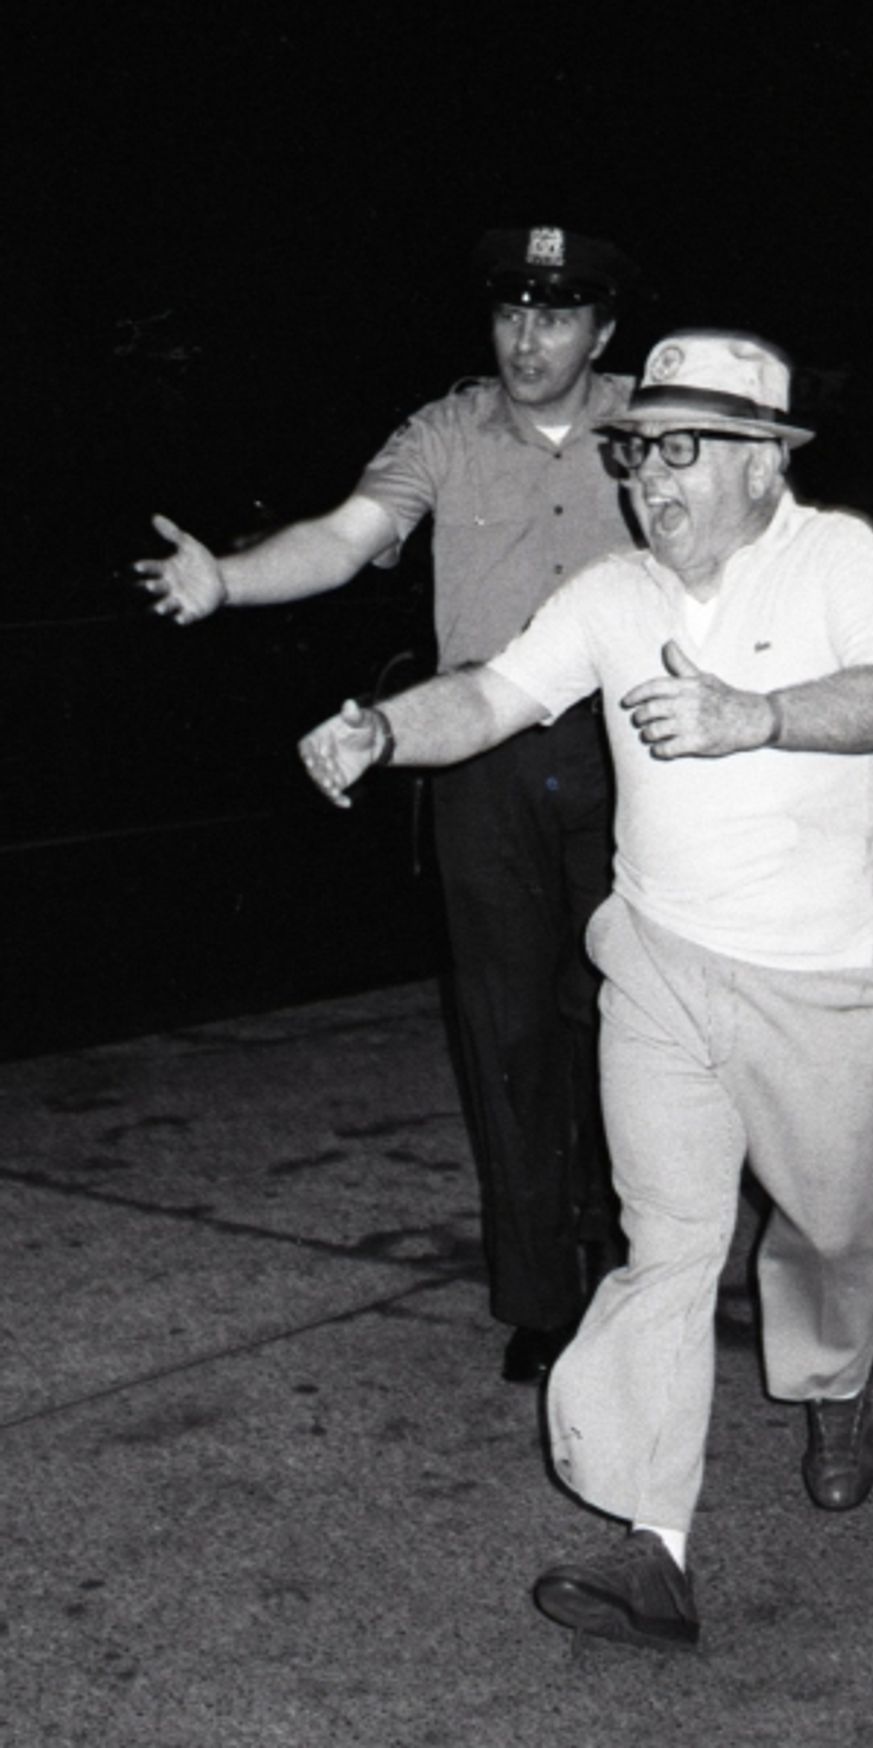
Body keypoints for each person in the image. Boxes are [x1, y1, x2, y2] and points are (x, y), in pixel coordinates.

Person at [296, 329, 873, 1652]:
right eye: (642, 451)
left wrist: (755, 716)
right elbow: (492, 694)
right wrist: (382, 732)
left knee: (825, 1226)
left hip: (824, 979)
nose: (653, 481)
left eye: (685, 452)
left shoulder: (839, 561)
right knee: (667, 1250)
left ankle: (834, 1379)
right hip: (656, 966)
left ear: (764, 462)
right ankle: (654, 1548)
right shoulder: (616, 593)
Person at [134, 226, 640, 1384]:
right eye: (512, 312)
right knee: (506, 1029)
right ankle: (542, 1297)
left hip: (631, 756)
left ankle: (634, 1271)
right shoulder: (445, 432)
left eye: (558, 315)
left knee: (631, 1022)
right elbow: (346, 536)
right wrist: (229, 579)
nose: (528, 337)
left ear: (603, 330)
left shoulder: (655, 425)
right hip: (481, 755)